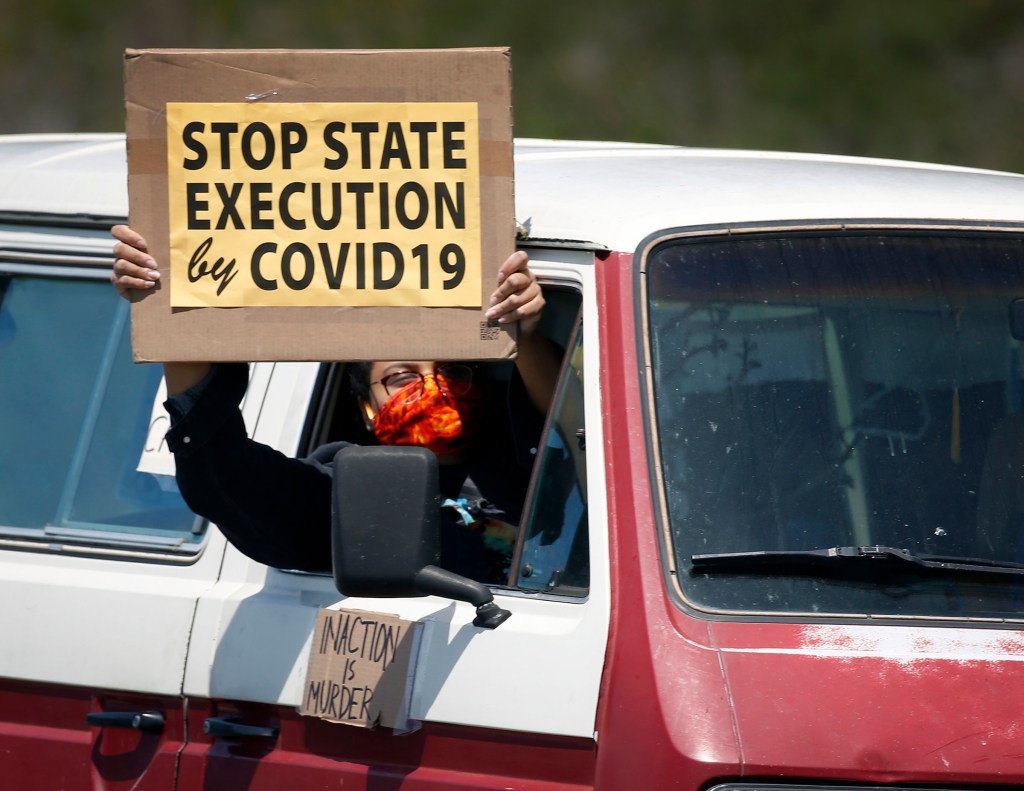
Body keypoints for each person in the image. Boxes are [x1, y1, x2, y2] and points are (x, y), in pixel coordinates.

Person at [111, 225, 561, 582]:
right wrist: (172, 310)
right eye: (403, 376)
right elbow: (219, 472)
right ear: (367, 408)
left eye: (450, 371)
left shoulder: (540, 479)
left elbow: (577, 434)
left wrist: (525, 335)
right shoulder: (343, 497)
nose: (432, 386)